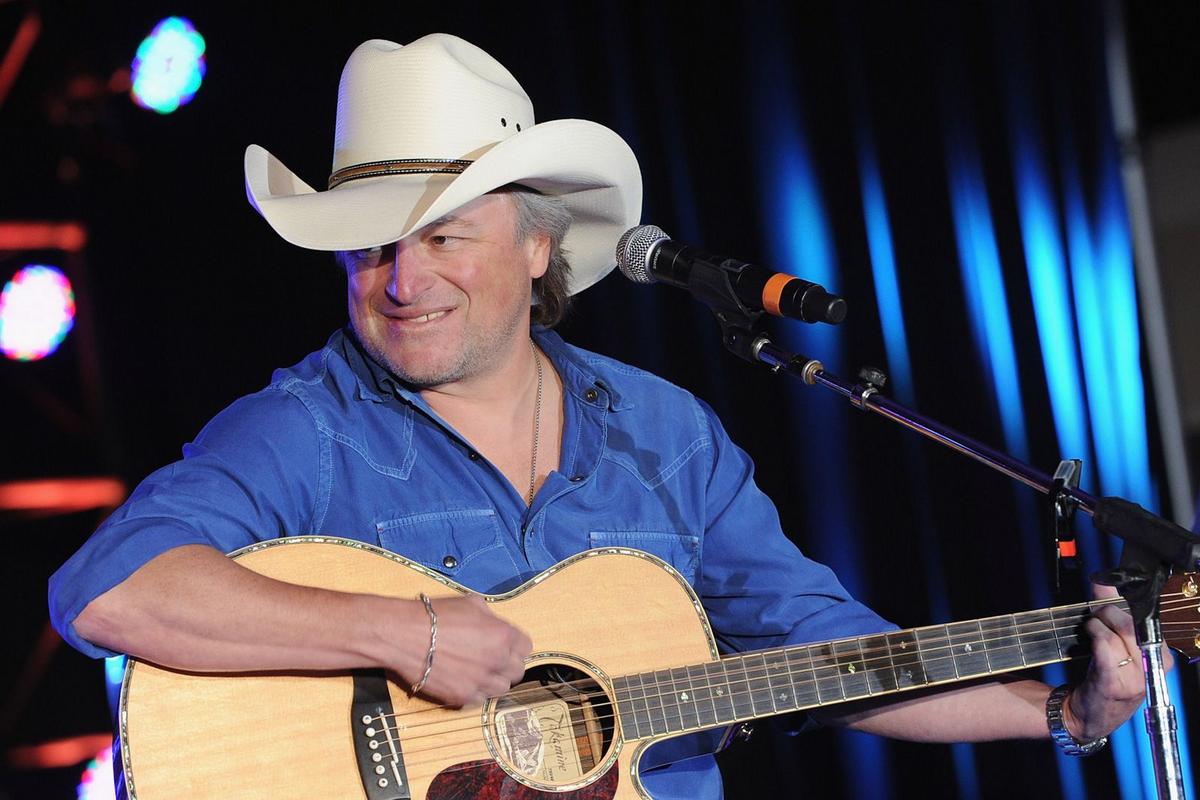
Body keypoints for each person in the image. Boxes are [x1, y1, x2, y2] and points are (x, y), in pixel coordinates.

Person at [49, 33, 1150, 800]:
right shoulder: (310, 425)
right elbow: (105, 588)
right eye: (371, 247)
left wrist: (1061, 713)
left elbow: (824, 650)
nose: (402, 280)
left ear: (539, 245)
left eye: (443, 237)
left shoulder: (666, 434)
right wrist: (404, 634)